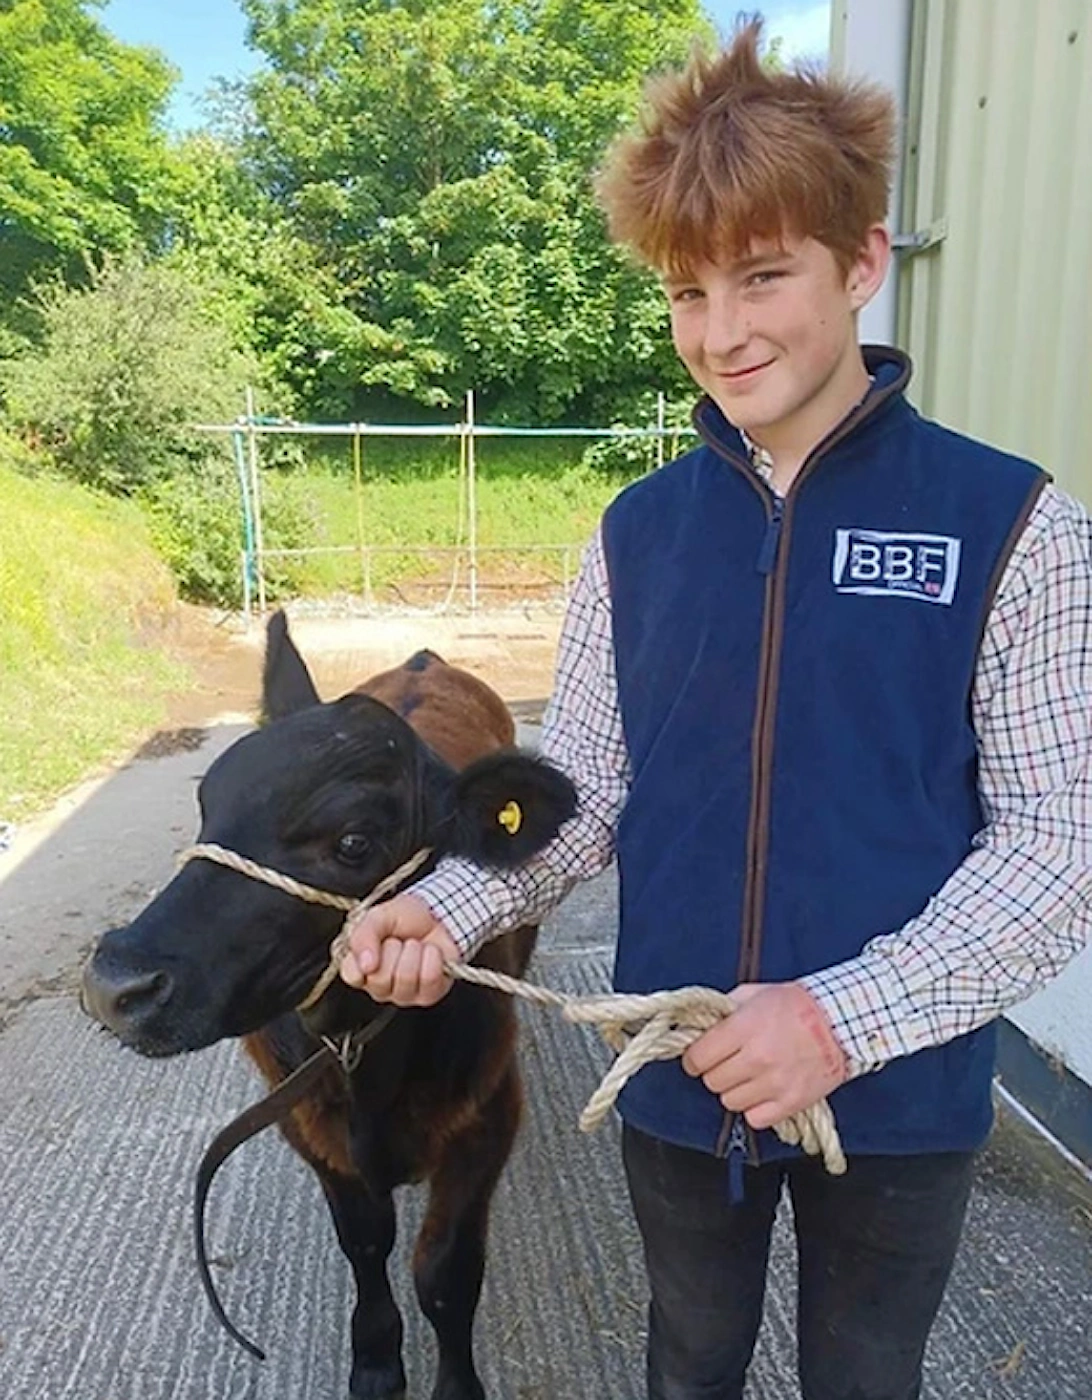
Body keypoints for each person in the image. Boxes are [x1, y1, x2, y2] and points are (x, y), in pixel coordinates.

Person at [338, 21, 1092, 1400]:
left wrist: (841, 1018)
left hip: (901, 1091)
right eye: (689, 293)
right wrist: (443, 907)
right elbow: (580, 779)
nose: (722, 333)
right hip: (674, 1072)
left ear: (862, 263)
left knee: (866, 1378)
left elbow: (1058, 845)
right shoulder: (636, 533)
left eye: (763, 275)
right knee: (688, 1365)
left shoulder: (1016, 524)